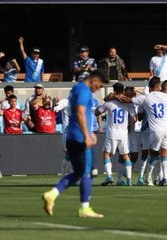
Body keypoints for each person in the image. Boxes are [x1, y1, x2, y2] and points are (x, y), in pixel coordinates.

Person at [42, 69, 109, 218]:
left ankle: (52, 194)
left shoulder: (77, 89)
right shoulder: (84, 90)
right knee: (88, 172)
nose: (98, 89)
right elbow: (79, 112)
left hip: (74, 135)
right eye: (99, 86)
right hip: (79, 137)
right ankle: (84, 208)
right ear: (94, 80)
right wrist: (86, 134)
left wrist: (89, 132)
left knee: (81, 172)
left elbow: (81, 114)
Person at [127, 77, 167, 186]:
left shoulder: (145, 98)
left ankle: (151, 177)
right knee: (163, 155)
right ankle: (162, 178)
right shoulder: (166, 97)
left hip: (155, 130)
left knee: (154, 154)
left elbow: (128, 101)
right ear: (158, 86)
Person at [97, 83, 136, 186]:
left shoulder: (109, 103)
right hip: (123, 133)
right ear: (123, 90)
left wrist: (100, 105)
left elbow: (97, 112)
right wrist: (128, 124)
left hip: (112, 132)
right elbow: (134, 118)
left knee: (107, 154)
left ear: (114, 90)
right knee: (126, 156)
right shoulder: (128, 103)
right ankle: (129, 179)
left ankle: (109, 176)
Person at [52, 98, 72, 176]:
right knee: (69, 155)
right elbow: (55, 109)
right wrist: (54, 103)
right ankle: (64, 175)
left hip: (77, 132)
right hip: (67, 132)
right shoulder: (65, 102)